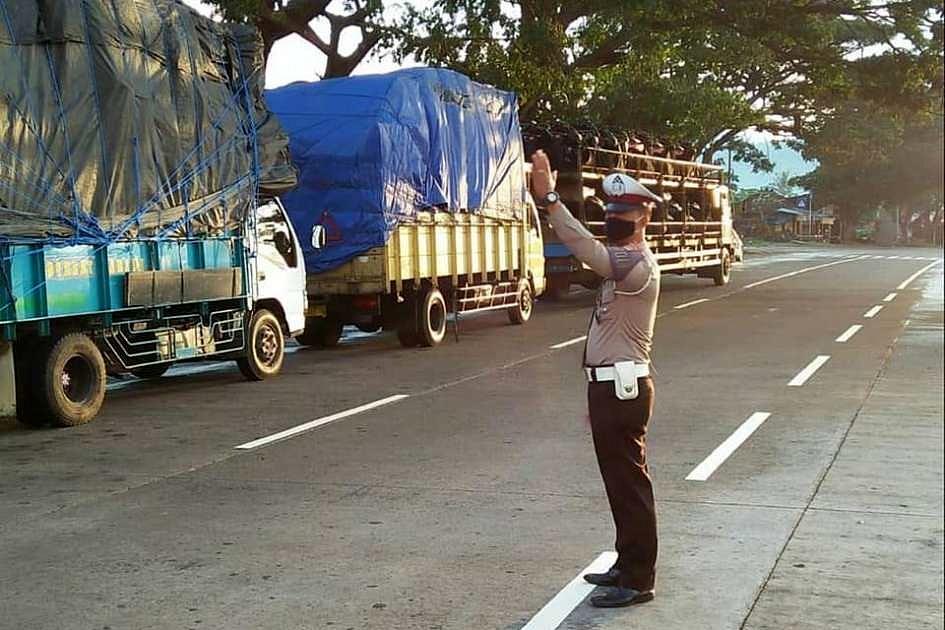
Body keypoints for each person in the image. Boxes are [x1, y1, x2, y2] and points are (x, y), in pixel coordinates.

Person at [531, 149, 661, 609]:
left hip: (623, 386)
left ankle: (639, 579)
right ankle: (627, 563)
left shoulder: (633, 264)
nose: (615, 218)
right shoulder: (622, 260)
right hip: (611, 386)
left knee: (630, 485)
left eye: (624, 211)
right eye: (610, 211)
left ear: (644, 215)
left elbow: (584, 247)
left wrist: (549, 200)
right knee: (618, 482)